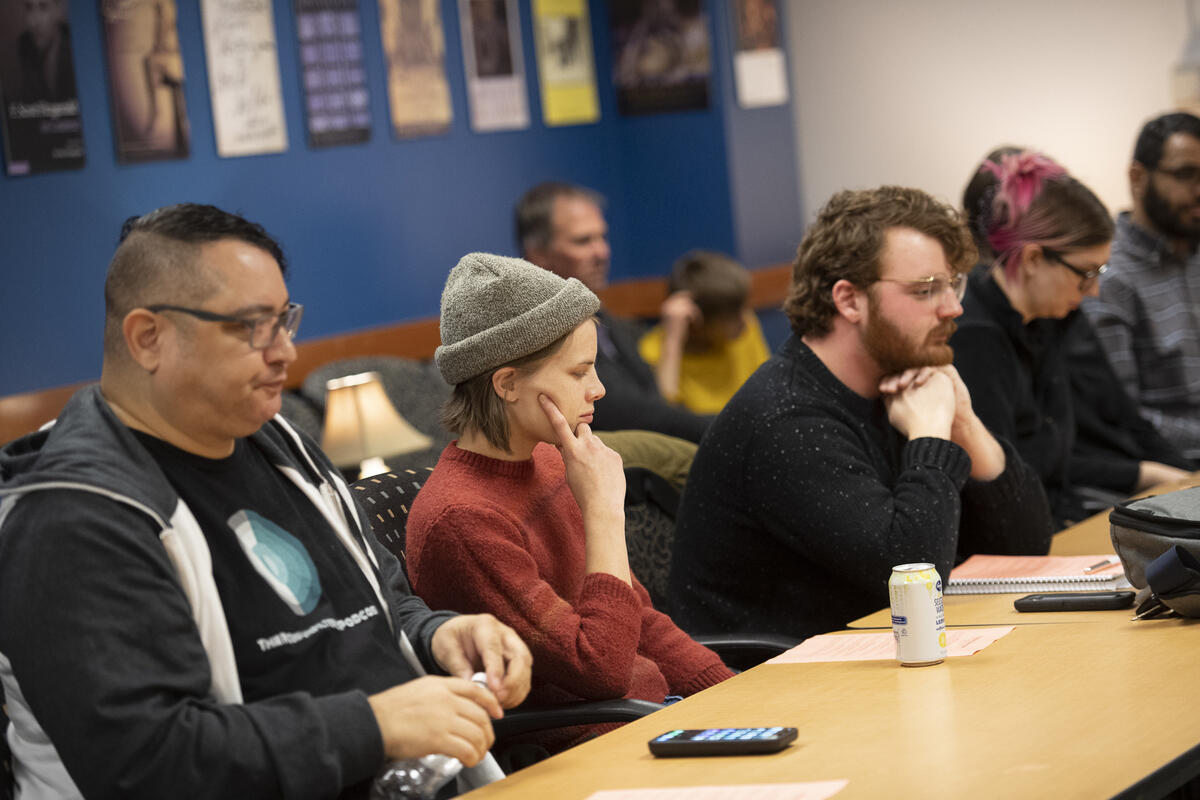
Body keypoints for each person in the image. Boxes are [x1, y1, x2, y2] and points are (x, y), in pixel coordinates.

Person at [0, 204, 532, 799]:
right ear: (148, 338)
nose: (285, 353)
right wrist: (375, 725)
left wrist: (436, 636)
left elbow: (376, 606)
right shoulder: (71, 517)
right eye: (252, 326)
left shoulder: (276, 442)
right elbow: (149, 762)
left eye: (285, 321)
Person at [668, 186, 1054, 641]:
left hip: (860, 661)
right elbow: (911, 575)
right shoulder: (788, 419)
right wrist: (929, 434)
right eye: (927, 290)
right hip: (770, 685)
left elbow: (1027, 547)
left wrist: (965, 423)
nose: (954, 307)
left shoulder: (898, 384)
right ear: (849, 300)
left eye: (954, 284)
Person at [407, 252, 734, 754]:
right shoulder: (463, 520)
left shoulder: (551, 462)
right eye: (579, 372)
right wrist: (604, 512)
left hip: (654, 722)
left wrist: (736, 695)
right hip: (592, 751)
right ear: (508, 383)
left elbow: (639, 620)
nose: (598, 389)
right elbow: (599, 669)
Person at [955, 150, 1191, 527]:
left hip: (1065, 519)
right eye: (1085, 273)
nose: (1094, 291)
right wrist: (1143, 475)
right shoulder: (976, 339)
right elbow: (1004, 491)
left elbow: (1108, 423)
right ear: (1032, 260)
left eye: (1100, 271)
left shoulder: (1049, 318)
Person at [515, 181, 713, 442]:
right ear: (537, 253)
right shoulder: (539, 332)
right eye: (583, 240)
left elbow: (656, 400)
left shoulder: (609, 321)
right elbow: (631, 413)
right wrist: (731, 427)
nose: (602, 251)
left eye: (602, 237)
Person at [1085, 112, 1200, 461]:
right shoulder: (1108, 273)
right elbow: (1124, 417)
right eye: (1185, 175)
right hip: (1174, 471)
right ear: (1137, 177)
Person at [637, 250, 769, 414]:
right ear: (697, 323)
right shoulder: (655, 353)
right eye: (733, 315)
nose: (745, 317)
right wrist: (673, 343)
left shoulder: (745, 326)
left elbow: (768, 389)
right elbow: (666, 416)